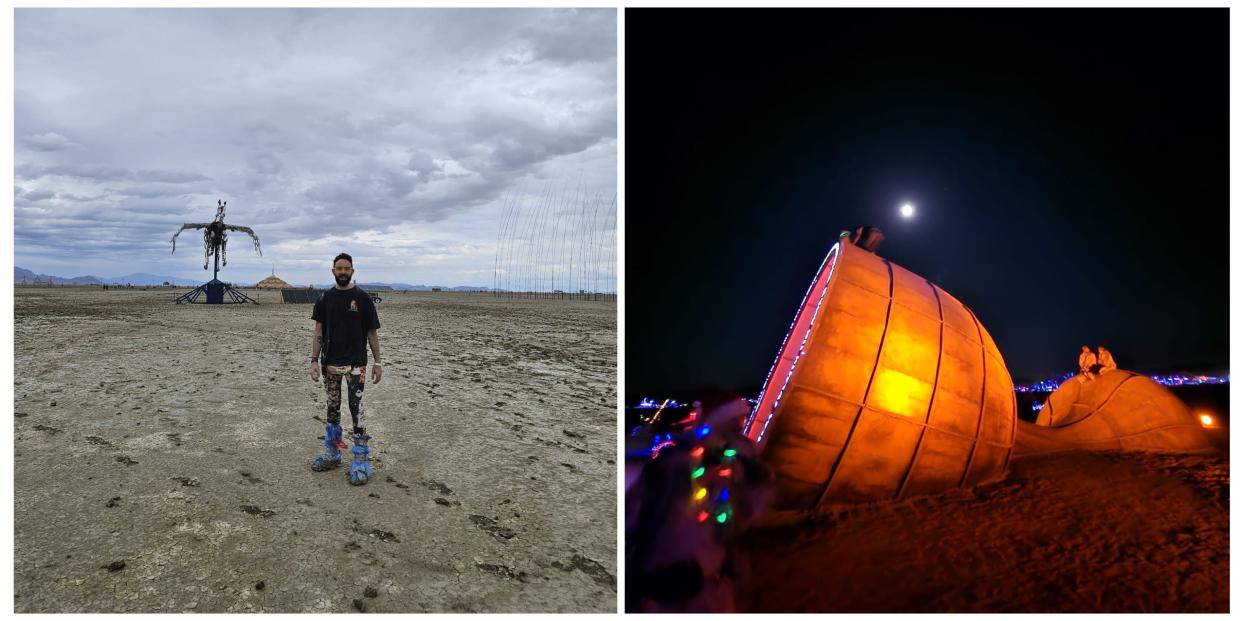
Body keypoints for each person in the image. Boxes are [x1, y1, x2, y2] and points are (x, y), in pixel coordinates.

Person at [309, 252, 383, 485]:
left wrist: (378, 362)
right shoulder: (324, 298)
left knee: (356, 409)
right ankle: (332, 453)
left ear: (352, 270)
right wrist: (313, 360)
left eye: (346, 268)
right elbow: (318, 332)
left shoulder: (362, 298)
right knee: (332, 408)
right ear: (333, 271)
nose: (342, 272)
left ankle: (360, 460)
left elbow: (372, 333)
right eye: (338, 269)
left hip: (356, 365)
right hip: (330, 364)